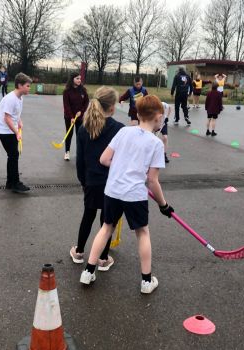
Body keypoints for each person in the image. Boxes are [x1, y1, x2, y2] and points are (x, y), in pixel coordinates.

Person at [79, 95, 174, 294]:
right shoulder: (156, 144)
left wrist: (123, 167)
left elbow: (104, 159)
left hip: (112, 190)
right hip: (134, 195)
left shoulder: (123, 132)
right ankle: (146, 281)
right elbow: (152, 180)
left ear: (138, 115)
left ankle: (88, 272)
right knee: (142, 233)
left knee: (106, 228)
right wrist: (163, 205)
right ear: (158, 117)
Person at [70, 86, 124, 271]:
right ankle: (103, 258)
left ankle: (79, 251)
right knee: (107, 221)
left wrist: (83, 181)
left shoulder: (84, 128)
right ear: (112, 107)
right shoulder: (119, 129)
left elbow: (80, 161)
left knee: (88, 215)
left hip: (92, 181)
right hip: (112, 182)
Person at [0, 72, 32, 193]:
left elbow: (15, 113)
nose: (29, 88)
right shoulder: (11, 99)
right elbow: (7, 118)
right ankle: (15, 183)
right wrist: (17, 132)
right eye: (27, 86)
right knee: (14, 155)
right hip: (5, 131)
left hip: (10, 129)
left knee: (12, 155)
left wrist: (19, 121)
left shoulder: (19, 97)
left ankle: (10, 182)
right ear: (20, 85)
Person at [63, 72, 89, 161]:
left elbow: (86, 102)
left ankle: (79, 153)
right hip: (69, 117)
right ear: (72, 79)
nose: (79, 80)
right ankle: (67, 152)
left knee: (80, 135)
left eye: (80, 78)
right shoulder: (67, 91)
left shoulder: (83, 90)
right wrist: (71, 117)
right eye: (77, 78)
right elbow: (66, 105)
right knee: (69, 134)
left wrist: (81, 111)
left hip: (79, 117)